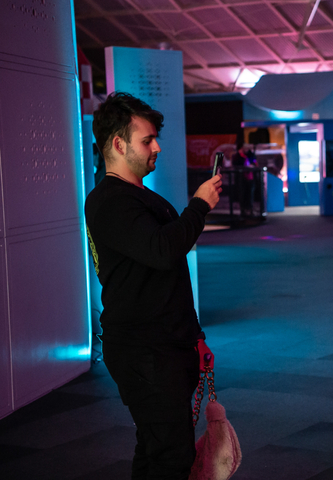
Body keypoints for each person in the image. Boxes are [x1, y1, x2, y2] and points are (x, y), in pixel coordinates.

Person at [85, 92, 222, 479]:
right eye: (147, 140)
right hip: (143, 350)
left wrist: (193, 335)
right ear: (118, 143)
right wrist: (199, 206)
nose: (157, 147)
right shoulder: (109, 201)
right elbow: (164, 250)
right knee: (169, 454)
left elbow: (166, 266)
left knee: (158, 448)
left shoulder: (136, 196)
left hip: (162, 344)